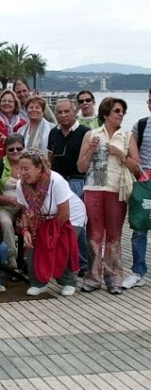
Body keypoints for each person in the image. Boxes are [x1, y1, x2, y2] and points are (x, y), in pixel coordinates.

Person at [77, 97, 140, 294]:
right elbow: (81, 166)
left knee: (114, 236)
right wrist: (90, 151)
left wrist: (121, 155)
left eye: (122, 112)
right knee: (94, 235)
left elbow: (137, 168)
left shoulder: (127, 135)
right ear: (105, 114)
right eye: (117, 111)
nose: (120, 115)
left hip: (116, 190)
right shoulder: (91, 134)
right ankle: (93, 278)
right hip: (93, 189)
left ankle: (113, 278)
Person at [17, 150, 85, 297]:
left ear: (39, 168)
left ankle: (68, 282)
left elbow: (64, 213)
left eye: (26, 169)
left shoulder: (56, 181)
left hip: (70, 216)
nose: (22, 173)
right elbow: (24, 211)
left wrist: (49, 234)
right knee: (34, 250)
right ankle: (38, 283)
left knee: (59, 247)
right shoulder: (20, 185)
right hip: (41, 218)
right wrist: (27, 230)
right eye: (20, 168)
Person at [47, 98, 90, 274]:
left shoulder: (85, 132)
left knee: (76, 223)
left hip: (76, 181)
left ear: (75, 112)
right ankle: (69, 261)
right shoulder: (53, 133)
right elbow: (49, 158)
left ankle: (83, 263)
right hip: (57, 181)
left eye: (67, 112)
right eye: (60, 112)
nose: (63, 115)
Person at [124, 87, 151, 289]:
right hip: (145, 182)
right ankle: (138, 272)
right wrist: (139, 172)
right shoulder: (140, 126)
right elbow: (133, 155)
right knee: (139, 227)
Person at [0, 134, 25, 270]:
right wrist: (11, 200)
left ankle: (34, 260)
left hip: (27, 208)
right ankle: (12, 261)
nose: (15, 151)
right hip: (5, 207)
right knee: (5, 224)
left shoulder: (30, 163)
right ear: (5, 150)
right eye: (11, 149)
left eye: (19, 148)